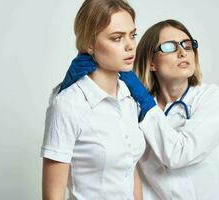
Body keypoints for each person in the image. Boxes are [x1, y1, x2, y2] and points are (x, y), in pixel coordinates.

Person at [60, 19, 219, 200]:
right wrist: (66, 90)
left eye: (187, 45)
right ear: (151, 63)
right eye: (169, 47)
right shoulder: (131, 104)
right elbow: (93, 132)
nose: (182, 52)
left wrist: (147, 105)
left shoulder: (210, 98)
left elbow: (178, 154)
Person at [40, 0, 145, 199]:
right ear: (89, 43)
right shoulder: (68, 105)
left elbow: (131, 170)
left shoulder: (129, 98)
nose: (130, 46)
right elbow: (53, 194)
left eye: (132, 35)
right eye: (117, 38)